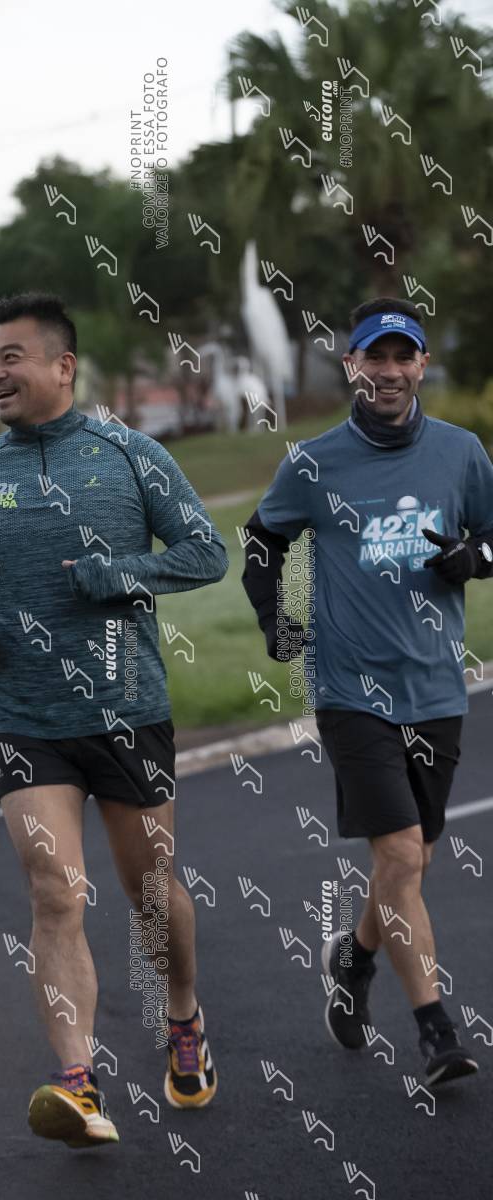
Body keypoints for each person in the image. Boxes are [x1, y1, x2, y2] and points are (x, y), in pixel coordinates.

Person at [0, 292, 227, 1147]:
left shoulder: (132, 455)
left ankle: (182, 1014)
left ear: (63, 366)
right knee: (56, 891)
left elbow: (206, 551)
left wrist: (120, 573)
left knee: (150, 894)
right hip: (25, 716)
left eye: (10, 358)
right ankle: (78, 1086)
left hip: (126, 710)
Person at [241, 296, 493, 1088]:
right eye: (373, 357)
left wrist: (474, 559)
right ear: (351, 364)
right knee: (400, 854)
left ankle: (353, 958)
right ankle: (436, 1033)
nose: (387, 371)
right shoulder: (314, 463)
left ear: (422, 365)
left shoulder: (460, 453)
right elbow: (262, 539)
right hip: (352, 691)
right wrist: (274, 620)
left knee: (411, 862)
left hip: (436, 687)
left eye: (401, 357)